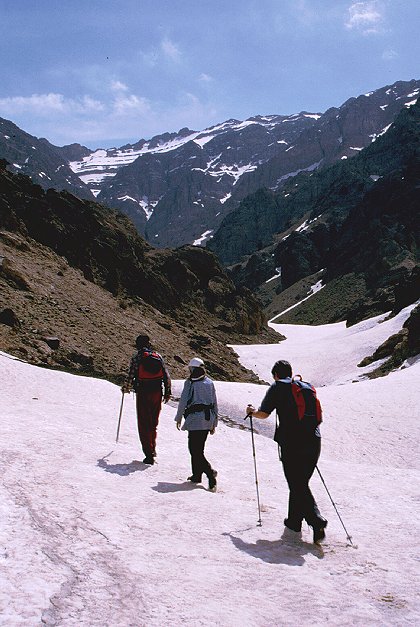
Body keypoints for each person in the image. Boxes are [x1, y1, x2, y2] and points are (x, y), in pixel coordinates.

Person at [245, 359, 327, 544]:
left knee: (297, 484)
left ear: (275, 374)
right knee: (300, 482)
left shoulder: (277, 388)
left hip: (292, 443)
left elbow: (264, 414)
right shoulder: (304, 387)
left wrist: (251, 412)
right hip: (314, 440)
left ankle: (317, 521)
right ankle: (293, 523)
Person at [122, 334, 171, 465]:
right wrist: (167, 392)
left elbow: (131, 374)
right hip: (157, 392)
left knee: (143, 423)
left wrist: (126, 387)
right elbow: (166, 375)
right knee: (153, 422)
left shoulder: (137, 357)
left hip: (143, 392)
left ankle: (148, 454)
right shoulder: (157, 356)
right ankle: (153, 448)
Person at [174, 357, 218, 492]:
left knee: (194, 450)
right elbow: (214, 403)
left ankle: (210, 474)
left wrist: (179, 417)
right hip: (207, 419)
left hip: (194, 420)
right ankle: (196, 475)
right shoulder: (209, 382)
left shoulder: (190, 383)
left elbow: (183, 401)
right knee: (199, 448)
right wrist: (214, 423)